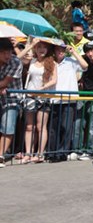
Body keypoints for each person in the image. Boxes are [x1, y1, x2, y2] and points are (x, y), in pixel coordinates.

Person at [20, 38, 57, 164]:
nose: (41, 49)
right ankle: (28, 153)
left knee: (41, 126)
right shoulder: (32, 61)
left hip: (43, 96)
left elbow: (54, 80)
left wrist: (42, 88)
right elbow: (18, 58)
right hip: (30, 96)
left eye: (44, 47)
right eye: (39, 47)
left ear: (48, 49)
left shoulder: (52, 62)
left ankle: (40, 153)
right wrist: (30, 45)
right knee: (29, 126)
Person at [48, 43, 88, 161]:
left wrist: (74, 52)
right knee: (53, 128)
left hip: (69, 99)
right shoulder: (50, 62)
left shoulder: (71, 61)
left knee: (66, 127)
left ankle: (62, 152)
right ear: (54, 50)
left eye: (63, 49)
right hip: (54, 99)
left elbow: (85, 66)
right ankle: (52, 152)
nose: (61, 52)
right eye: (58, 49)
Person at [0, 38, 23, 168]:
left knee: (7, 127)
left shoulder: (15, 62)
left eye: (9, 52)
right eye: (4, 53)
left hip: (12, 99)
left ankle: (0, 155)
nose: (8, 55)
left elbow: (4, 83)